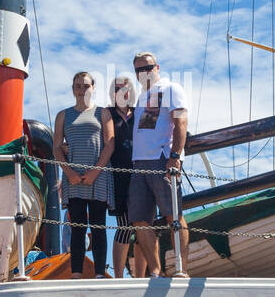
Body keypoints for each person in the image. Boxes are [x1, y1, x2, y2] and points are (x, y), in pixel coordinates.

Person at [128, 53, 189, 278]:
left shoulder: (171, 88)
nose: (143, 73)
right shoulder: (142, 97)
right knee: (140, 219)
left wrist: (175, 156)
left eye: (147, 68)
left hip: (162, 160)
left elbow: (181, 121)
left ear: (157, 67)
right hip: (139, 163)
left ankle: (182, 268)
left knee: (173, 214)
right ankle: (156, 271)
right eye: (138, 70)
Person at [54, 71, 114, 279]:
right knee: (77, 228)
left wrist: (95, 172)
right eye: (77, 86)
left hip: (98, 177)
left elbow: (110, 143)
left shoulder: (103, 113)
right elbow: (56, 147)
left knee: (98, 226)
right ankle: (76, 273)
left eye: (86, 86)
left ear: (93, 88)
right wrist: (68, 172)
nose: (81, 90)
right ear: (73, 89)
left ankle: (99, 273)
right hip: (73, 178)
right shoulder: (63, 115)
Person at [108, 74, 143, 279]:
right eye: (117, 89)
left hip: (141, 174)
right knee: (124, 225)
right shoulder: (107, 114)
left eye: (125, 88)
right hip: (118, 176)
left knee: (144, 226)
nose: (121, 92)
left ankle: (141, 276)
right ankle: (119, 276)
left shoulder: (140, 113)